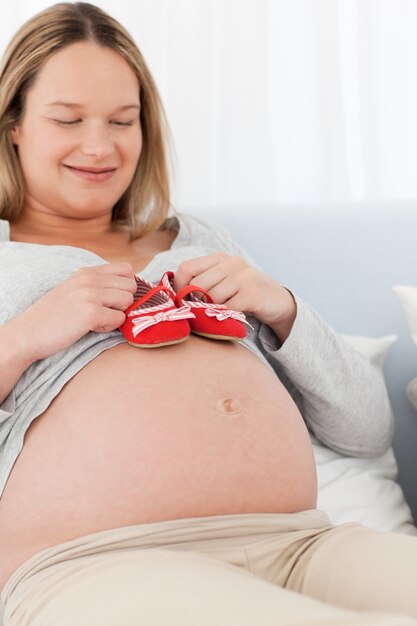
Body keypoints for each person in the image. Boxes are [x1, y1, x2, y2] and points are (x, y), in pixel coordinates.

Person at [0, 3, 416, 625]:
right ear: (13, 124)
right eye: (68, 119)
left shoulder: (200, 236)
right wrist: (27, 336)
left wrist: (283, 309)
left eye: (123, 120)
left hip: (300, 542)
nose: (99, 145)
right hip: (100, 562)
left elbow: (365, 429)